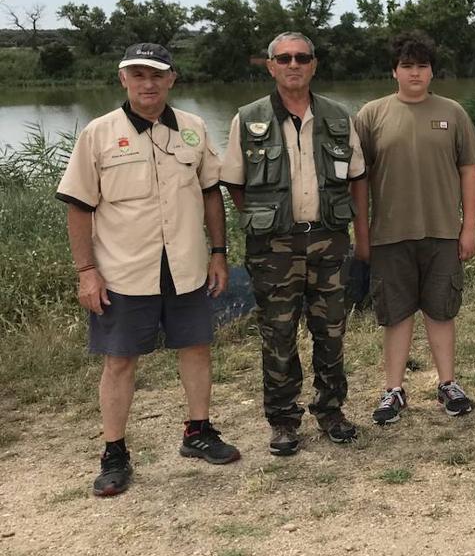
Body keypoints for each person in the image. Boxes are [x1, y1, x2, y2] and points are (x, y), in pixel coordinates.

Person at [57, 43, 240, 497]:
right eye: (137, 74)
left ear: (172, 79)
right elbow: (79, 207)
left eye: (157, 74)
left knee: (196, 348)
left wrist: (219, 252)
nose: (148, 83)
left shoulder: (194, 130)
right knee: (119, 362)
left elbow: (211, 194)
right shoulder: (99, 134)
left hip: (186, 266)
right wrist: (86, 270)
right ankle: (114, 453)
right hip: (123, 271)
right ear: (123, 79)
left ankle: (198, 432)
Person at [220, 31, 368, 454]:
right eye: (283, 58)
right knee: (278, 334)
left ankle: (331, 410)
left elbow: (358, 180)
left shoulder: (340, 117)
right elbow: (235, 183)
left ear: (314, 64)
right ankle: (283, 420)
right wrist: (266, 219)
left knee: (331, 331)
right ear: (270, 66)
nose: (293, 65)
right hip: (274, 247)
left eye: (302, 57)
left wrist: (361, 236)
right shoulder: (248, 118)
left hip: (329, 241)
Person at [353, 32, 475, 423]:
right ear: (394, 71)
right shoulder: (371, 115)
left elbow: (470, 170)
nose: (415, 73)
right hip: (390, 234)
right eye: (407, 66)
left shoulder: (453, 112)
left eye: (422, 66)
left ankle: (448, 384)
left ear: (432, 72)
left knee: (442, 311)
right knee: (395, 314)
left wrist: (470, 226)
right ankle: (393, 390)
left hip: (443, 231)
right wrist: (362, 233)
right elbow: (357, 180)